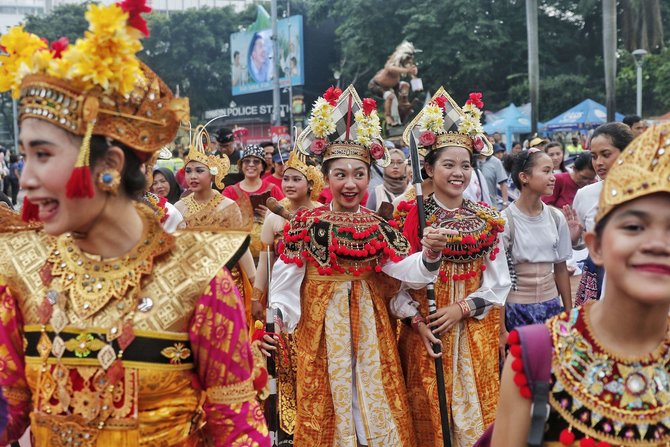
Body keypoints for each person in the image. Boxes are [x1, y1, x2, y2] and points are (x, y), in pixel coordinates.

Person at [0, 5, 269, 446]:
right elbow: (9, 409)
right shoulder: (22, 271)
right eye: (24, 156)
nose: (25, 179)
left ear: (109, 165)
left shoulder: (198, 280)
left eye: (43, 155)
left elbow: (239, 431)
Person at [261, 86, 450, 447]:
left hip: (370, 325)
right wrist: (280, 318)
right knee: (328, 403)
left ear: (369, 177)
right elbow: (286, 280)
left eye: (359, 174)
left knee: (372, 401)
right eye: (341, 175)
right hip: (320, 326)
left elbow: (404, 271)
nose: (350, 183)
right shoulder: (306, 223)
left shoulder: (379, 226)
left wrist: (429, 256)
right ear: (327, 179)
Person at [491, 121, 670, 447]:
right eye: (633, 226)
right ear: (596, 246)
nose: (657, 243)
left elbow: (560, 265)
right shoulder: (537, 353)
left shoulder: (554, 218)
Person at [396, 88, 511, 446]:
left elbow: (499, 283)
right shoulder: (410, 215)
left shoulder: (486, 219)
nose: (458, 173)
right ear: (428, 168)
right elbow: (395, 286)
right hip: (426, 333)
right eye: (448, 164)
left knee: (475, 422)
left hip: (473, 333)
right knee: (429, 418)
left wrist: (460, 309)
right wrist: (416, 321)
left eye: (465, 165)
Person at [501, 149, 572, 335]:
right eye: (546, 171)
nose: (553, 177)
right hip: (516, 309)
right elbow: (499, 280)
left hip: (551, 306)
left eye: (553, 171)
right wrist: (502, 330)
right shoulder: (505, 221)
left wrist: (569, 313)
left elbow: (561, 268)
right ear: (524, 177)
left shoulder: (556, 217)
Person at [563, 122, 634, 305]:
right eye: (594, 156)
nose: (598, 163)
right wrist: (574, 238)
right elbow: (580, 245)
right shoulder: (585, 194)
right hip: (598, 276)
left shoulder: (648, 192)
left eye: (606, 154)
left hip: (638, 275)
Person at [223, 144, 284, 259]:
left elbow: (285, 219)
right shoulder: (230, 191)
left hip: (268, 253)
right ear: (241, 166)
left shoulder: (273, 189)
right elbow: (222, 222)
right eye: (246, 161)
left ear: (263, 167)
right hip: (240, 254)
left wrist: (270, 215)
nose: (251, 164)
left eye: (256, 161)